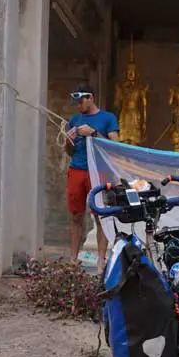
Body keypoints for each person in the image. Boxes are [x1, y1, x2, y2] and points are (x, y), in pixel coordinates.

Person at [64, 84, 119, 273]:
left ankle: (101, 261)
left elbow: (116, 146)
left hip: (99, 171)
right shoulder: (74, 120)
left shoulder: (107, 118)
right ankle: (73, 259)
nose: (78, 106)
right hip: (76, 169)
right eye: (75, 103)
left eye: (80, 102)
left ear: (91, 98)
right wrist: (68, 140)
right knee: (75, 215)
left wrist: (94, 134)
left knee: (100, 216)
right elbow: (69, 151)